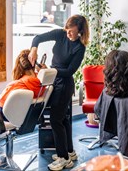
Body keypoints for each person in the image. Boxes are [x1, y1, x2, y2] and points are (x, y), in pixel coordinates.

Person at [28, 14, 89, 170]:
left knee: (56, 120)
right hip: (54, 81)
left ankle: (64, 159)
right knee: (63, 120)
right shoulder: (61, 34)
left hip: (64, 85)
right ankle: (69, 151)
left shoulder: (79, 48)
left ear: (80, 31)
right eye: (67, 30)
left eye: (71, 31)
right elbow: (38, 38)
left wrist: (50, 70)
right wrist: (34, 49)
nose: (68, 33)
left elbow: (69, 71)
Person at [0, 49, 45, 118]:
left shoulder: (18, 84)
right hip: (21, 115)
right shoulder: (41, 82)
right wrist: (43, 70)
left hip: (3, 114)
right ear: (35, 63)